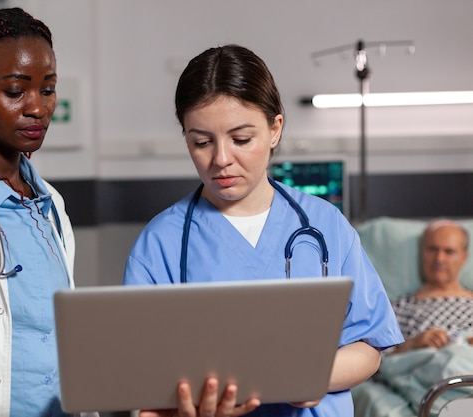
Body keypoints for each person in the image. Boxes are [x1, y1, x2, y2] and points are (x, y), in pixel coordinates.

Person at [0, 8, 247, 417]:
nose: (37, 108)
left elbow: (53, 347)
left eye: (48, 89)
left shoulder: (48, 205)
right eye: (16, 91)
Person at [123, 44, 404, 417]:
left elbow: (369, 343)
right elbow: (140, 374)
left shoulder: (324, 224)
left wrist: (312, 377)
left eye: (241, 139)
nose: (221, 159)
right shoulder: (161, 242)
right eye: (201, 142)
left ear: (275, 129)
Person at [390, 219, 473, 353]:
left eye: (449, 252)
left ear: (464, 257)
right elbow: (380, 363)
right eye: (432, 249)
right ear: (422, 252)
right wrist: (414, 343)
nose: (439, 259)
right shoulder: (399, 308)